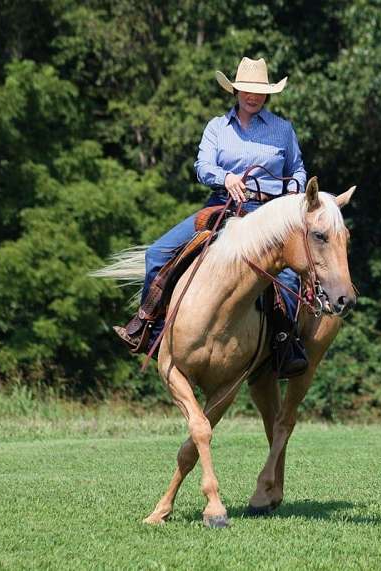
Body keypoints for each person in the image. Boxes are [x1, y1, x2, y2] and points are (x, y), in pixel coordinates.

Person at [114, 56, 308, 375]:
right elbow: (203, 167)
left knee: (285, 275)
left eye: (259, 90)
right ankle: (149, 325)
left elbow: (297, 169)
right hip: (221, 205)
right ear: (235, 91)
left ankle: (285, 343)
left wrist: (293, 191)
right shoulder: (217, 127)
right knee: (157, 253)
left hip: (267, 214)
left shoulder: (282, 130)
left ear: (268, 94)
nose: (252, 95)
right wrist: (225, 178)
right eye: (246, 89)